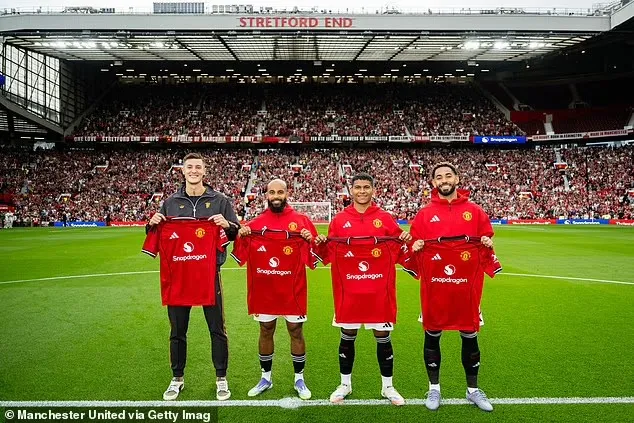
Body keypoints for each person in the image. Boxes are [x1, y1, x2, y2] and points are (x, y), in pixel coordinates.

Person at [147, 152, 240, 401]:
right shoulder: (170, 202)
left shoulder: (220, 200)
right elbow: (154, 232)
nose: (194, 171)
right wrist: (152, 223)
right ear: (183, 171)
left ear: (204, 171)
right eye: (190, 167)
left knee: (217, 329)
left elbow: (236, 232)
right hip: (179, 275)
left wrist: (227, 225)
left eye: (198, 167)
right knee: (178, 330)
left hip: (209, 274)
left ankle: (221, 378)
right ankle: (177, 378)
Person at [314, 173, 412, 406]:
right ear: (351, 191)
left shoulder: (385, 218)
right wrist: (320, 242)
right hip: (349, 292)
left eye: (366, 187)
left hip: (379, 292)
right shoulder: (339, 220)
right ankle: (344, 384)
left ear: (373, 190)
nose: (362, 191)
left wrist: (406, 238)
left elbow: (400, 247)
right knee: (347, 336)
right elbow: (327, 252)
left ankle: (388, 387)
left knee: (383, 337)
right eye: (357, 187)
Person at [410, 162, 495, 412]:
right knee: (432, 336)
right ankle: (434, 388)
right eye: (439, 177)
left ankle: (472, 390)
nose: (444, 180)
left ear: (457, 179)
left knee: (470, 337)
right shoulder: (424, 214)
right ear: (433, 183)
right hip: (435, 290)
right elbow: (413, 246)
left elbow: (486, 240)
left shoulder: (475, 211)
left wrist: (486, 242)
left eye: (448, 175)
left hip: (466, 290)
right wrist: (416, 246)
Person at [233, 179, 317, 400]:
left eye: (280, 192)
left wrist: (311, 240)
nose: (276, 196)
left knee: (296, 330)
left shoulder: (302, 221)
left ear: (287, 193)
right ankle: (265, 378)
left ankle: (299, 379)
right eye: (272, 192)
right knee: (266, 329)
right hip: (265, 289)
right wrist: (241, 236)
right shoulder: (255, 224)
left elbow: (316, 254)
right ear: (267, 195)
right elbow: (239, 254)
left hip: (293, 289)